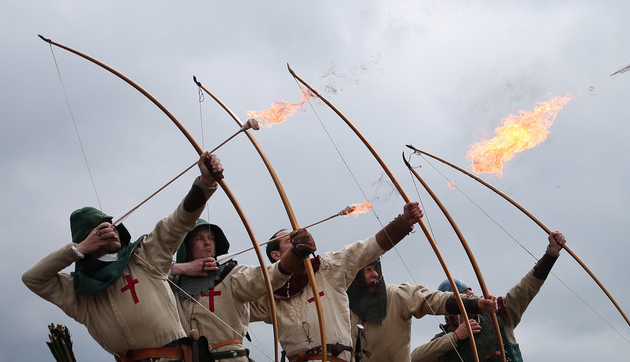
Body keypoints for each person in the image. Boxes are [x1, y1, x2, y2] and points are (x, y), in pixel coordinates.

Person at [22, 152, 224, 361]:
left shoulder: (143, 256)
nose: (113, 229)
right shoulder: (79, 292)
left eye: (112, 225)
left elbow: (178, 223)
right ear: (89, 239)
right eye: (102, 229)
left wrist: (205, 183)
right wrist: (78, 248)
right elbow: (32, 279)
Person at [250, 202, 425, 362]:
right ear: (276, 255)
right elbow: (235, 306)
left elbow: (365, 249)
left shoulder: (327, 269)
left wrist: (403, 223)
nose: (297, 241)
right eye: (290, 241)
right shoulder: (269, 292)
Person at [170, 220, 316, 362]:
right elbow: (150, 268)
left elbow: (267, 276)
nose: (208, 242)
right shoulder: (175, 284)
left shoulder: (231, 274)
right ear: (187, 247)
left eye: (211, 238)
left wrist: (294, 255)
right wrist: (182, 268)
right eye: (199, 238)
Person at [410, 231, 567, 362]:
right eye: (464, 300)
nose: (472, 300)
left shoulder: (498, 314)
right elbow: (413, 358)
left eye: (471, 297)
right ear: (450, 310)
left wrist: (551, 253)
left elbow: (527, 287)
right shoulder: (444, 341)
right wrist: (456, 337)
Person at [347, 257, 497, 361]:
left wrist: (475, 303)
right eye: (367, 270)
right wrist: (454, 336)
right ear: (356, 277)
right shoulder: (344, 305)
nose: (374, 274)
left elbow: (432, 299)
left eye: (376, 268)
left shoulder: (398, 295)